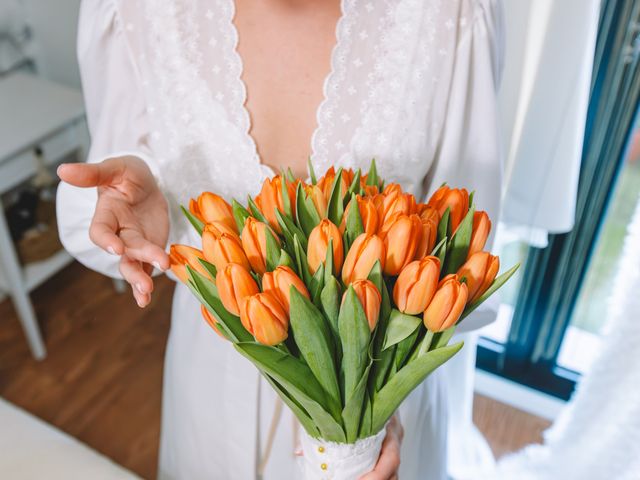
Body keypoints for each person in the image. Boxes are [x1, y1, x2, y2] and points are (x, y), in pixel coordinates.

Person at [56, 0, 504, 478]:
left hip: (387, 391)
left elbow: (463, 251)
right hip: (215, 375)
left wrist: (379, 404)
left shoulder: (451, 12)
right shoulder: (133, 9)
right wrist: (145, 198)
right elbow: (119, 161)